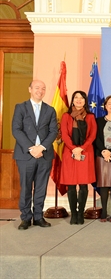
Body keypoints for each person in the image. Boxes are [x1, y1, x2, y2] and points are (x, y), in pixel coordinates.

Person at [12, 80, 58, 230]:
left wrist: (42, 147)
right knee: (25, 187)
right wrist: (31, 148)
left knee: (40, 187)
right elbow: (16, 130)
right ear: (30, 89)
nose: (40, 90)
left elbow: (53, 132)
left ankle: (38, 216)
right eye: (37, 88)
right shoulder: (20, 108)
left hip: (44, 155)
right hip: (26, 154)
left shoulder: (50, 110)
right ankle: (25, 218)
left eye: (43, 88)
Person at [60, 91, 97, 225]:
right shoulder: (66, 116)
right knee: (71, 186)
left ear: (85, 101)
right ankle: (73, 214)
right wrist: (73, 148)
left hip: (85, 153)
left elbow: (92, 135)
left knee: (83, 185)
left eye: (81, 98)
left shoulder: (91, 117)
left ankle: (80, 213)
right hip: (69, 153)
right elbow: (64, 135)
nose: (79, 100)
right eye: (76, 98)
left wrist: (81, 148)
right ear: (72, 100)